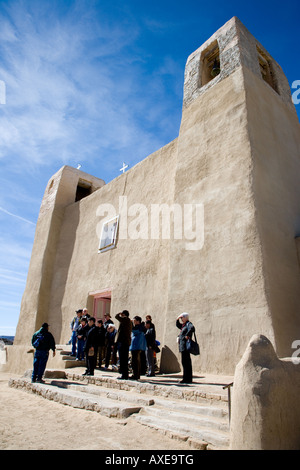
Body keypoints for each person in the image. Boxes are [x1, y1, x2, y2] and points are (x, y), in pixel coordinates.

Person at [176, 312, 195, 384]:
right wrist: (177, 319)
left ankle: (187, 378)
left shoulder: (188, 324)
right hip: (182, 347)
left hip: (185, 347)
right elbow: (178, 325)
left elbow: (192, 328)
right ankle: (186, 378)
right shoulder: (183, 325)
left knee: (186, 363)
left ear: (185, 317)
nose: (181, 319)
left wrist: (187, 335)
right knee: (184, 363)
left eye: (182, 318)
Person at [115, 310, 132, 380]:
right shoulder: (128, 321)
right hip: (125, 342)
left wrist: (119, 314)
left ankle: (124, 374)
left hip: (123, 342)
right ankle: (124, 374)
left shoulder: (126, 320)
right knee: (123, 359)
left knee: (123, 359)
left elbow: (116, 317)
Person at [129, 316, 147, 381]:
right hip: (137, 346)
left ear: (137, 321)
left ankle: (135, 375)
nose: (133, 322)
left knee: (135, 361)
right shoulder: (141, 327)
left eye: (134, 321)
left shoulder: (139, 328)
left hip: (136, 346)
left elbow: (133, 330)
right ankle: (136, 374)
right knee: (136, 361)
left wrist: (130, 323)